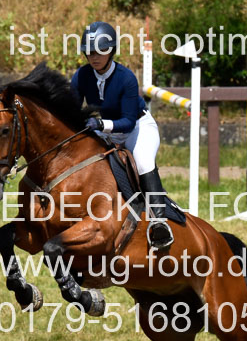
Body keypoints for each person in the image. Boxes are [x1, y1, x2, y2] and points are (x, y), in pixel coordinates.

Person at [71, 21, 174, 250]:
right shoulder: (81, 76)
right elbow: (72, 111)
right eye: (90, 52)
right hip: (104, 129)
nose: (94, 57)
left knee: (144, 162)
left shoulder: (126, 78)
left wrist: (100, 124)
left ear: (111, 51)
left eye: (100, 51)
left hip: (137, 127)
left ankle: (160, 223)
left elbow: (128, 122)